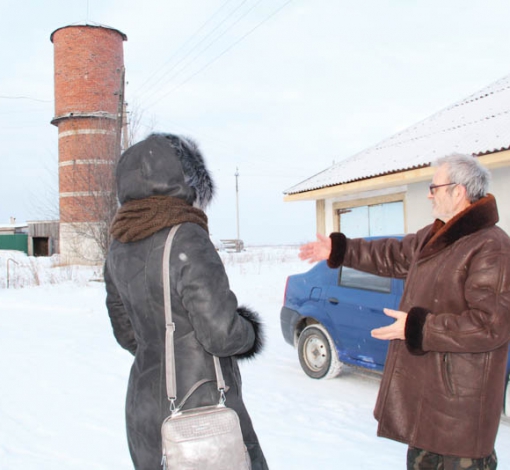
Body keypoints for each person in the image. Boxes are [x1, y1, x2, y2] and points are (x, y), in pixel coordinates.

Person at [299, 153, 510, 470]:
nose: (429, 194)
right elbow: (392, 254)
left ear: (458, 191)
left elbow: (489, 326)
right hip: (428, 409)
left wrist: (418, 327)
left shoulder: (491, 247)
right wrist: (340, 250)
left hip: (460, 420)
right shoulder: (436, 235)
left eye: (434, 187)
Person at [104, 133, 269, 470]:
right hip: (199, 410)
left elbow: (127, 333)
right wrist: (249, 331)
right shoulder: (187, 236)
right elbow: (220, 334)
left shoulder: (119, 246)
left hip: (145, 408)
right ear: (185, 182)